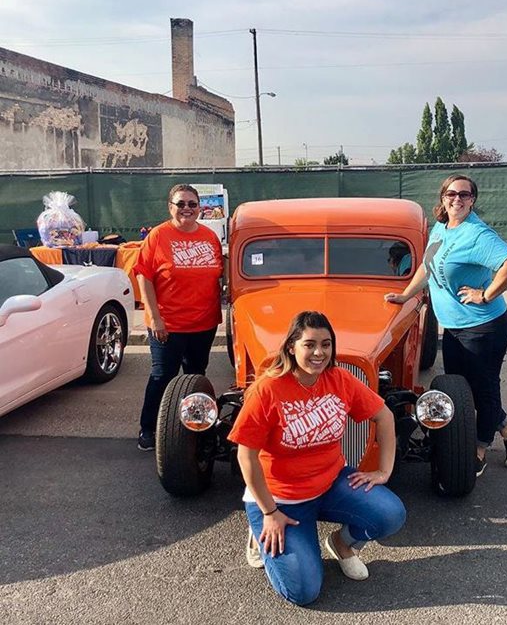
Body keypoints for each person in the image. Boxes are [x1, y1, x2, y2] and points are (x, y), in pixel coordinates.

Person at [227, 311, 406, 606]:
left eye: (326, 344)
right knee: (303, 591)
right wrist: (270, 514)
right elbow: (246, 456)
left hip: (330, 483)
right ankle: (259, 530)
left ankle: (342, 544)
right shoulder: (267, 390)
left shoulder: (340, 379)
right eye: (309, 344)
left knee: (391, 513)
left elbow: (384, 416)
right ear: (291, 347)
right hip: (280, 500)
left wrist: (383, 471)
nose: (319, 352)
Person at [385, 174, 507, 478]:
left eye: (465, 195)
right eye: (452, 194)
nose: (458, 200)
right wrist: (407, 294)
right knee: (462, 388)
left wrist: (485, 294)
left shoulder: (476, 234)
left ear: (473, 200)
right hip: (454, 328)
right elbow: (427, 265)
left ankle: (479, 447)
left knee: (483, 390)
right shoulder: (442, 227)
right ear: (443, 197)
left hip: (484, 327)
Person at [134, 184, 223, 451]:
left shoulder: (210, 237)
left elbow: (221, 275)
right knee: (163, 377)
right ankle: (148, 428)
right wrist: (155, 318)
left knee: (195, 378)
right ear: (170, 207)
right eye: (181, 203)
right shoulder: (159, 236)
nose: (187, 209)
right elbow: (143, 276)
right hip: (168, 325)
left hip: (204, 323)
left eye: (192, 204)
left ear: (200, 208)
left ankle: (192, 428)